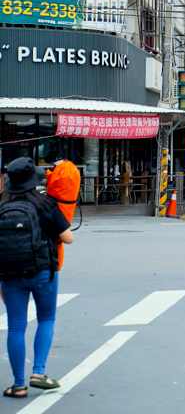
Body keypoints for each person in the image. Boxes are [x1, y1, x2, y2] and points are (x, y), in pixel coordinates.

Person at [0, 158, 74, 399]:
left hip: (9, 275)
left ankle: (18, 384)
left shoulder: (1, 206)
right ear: (34, 181)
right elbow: (68, 238)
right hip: (43, 272)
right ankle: (38, 373)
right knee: (46, 318)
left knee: (16, 327)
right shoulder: (46, 204)